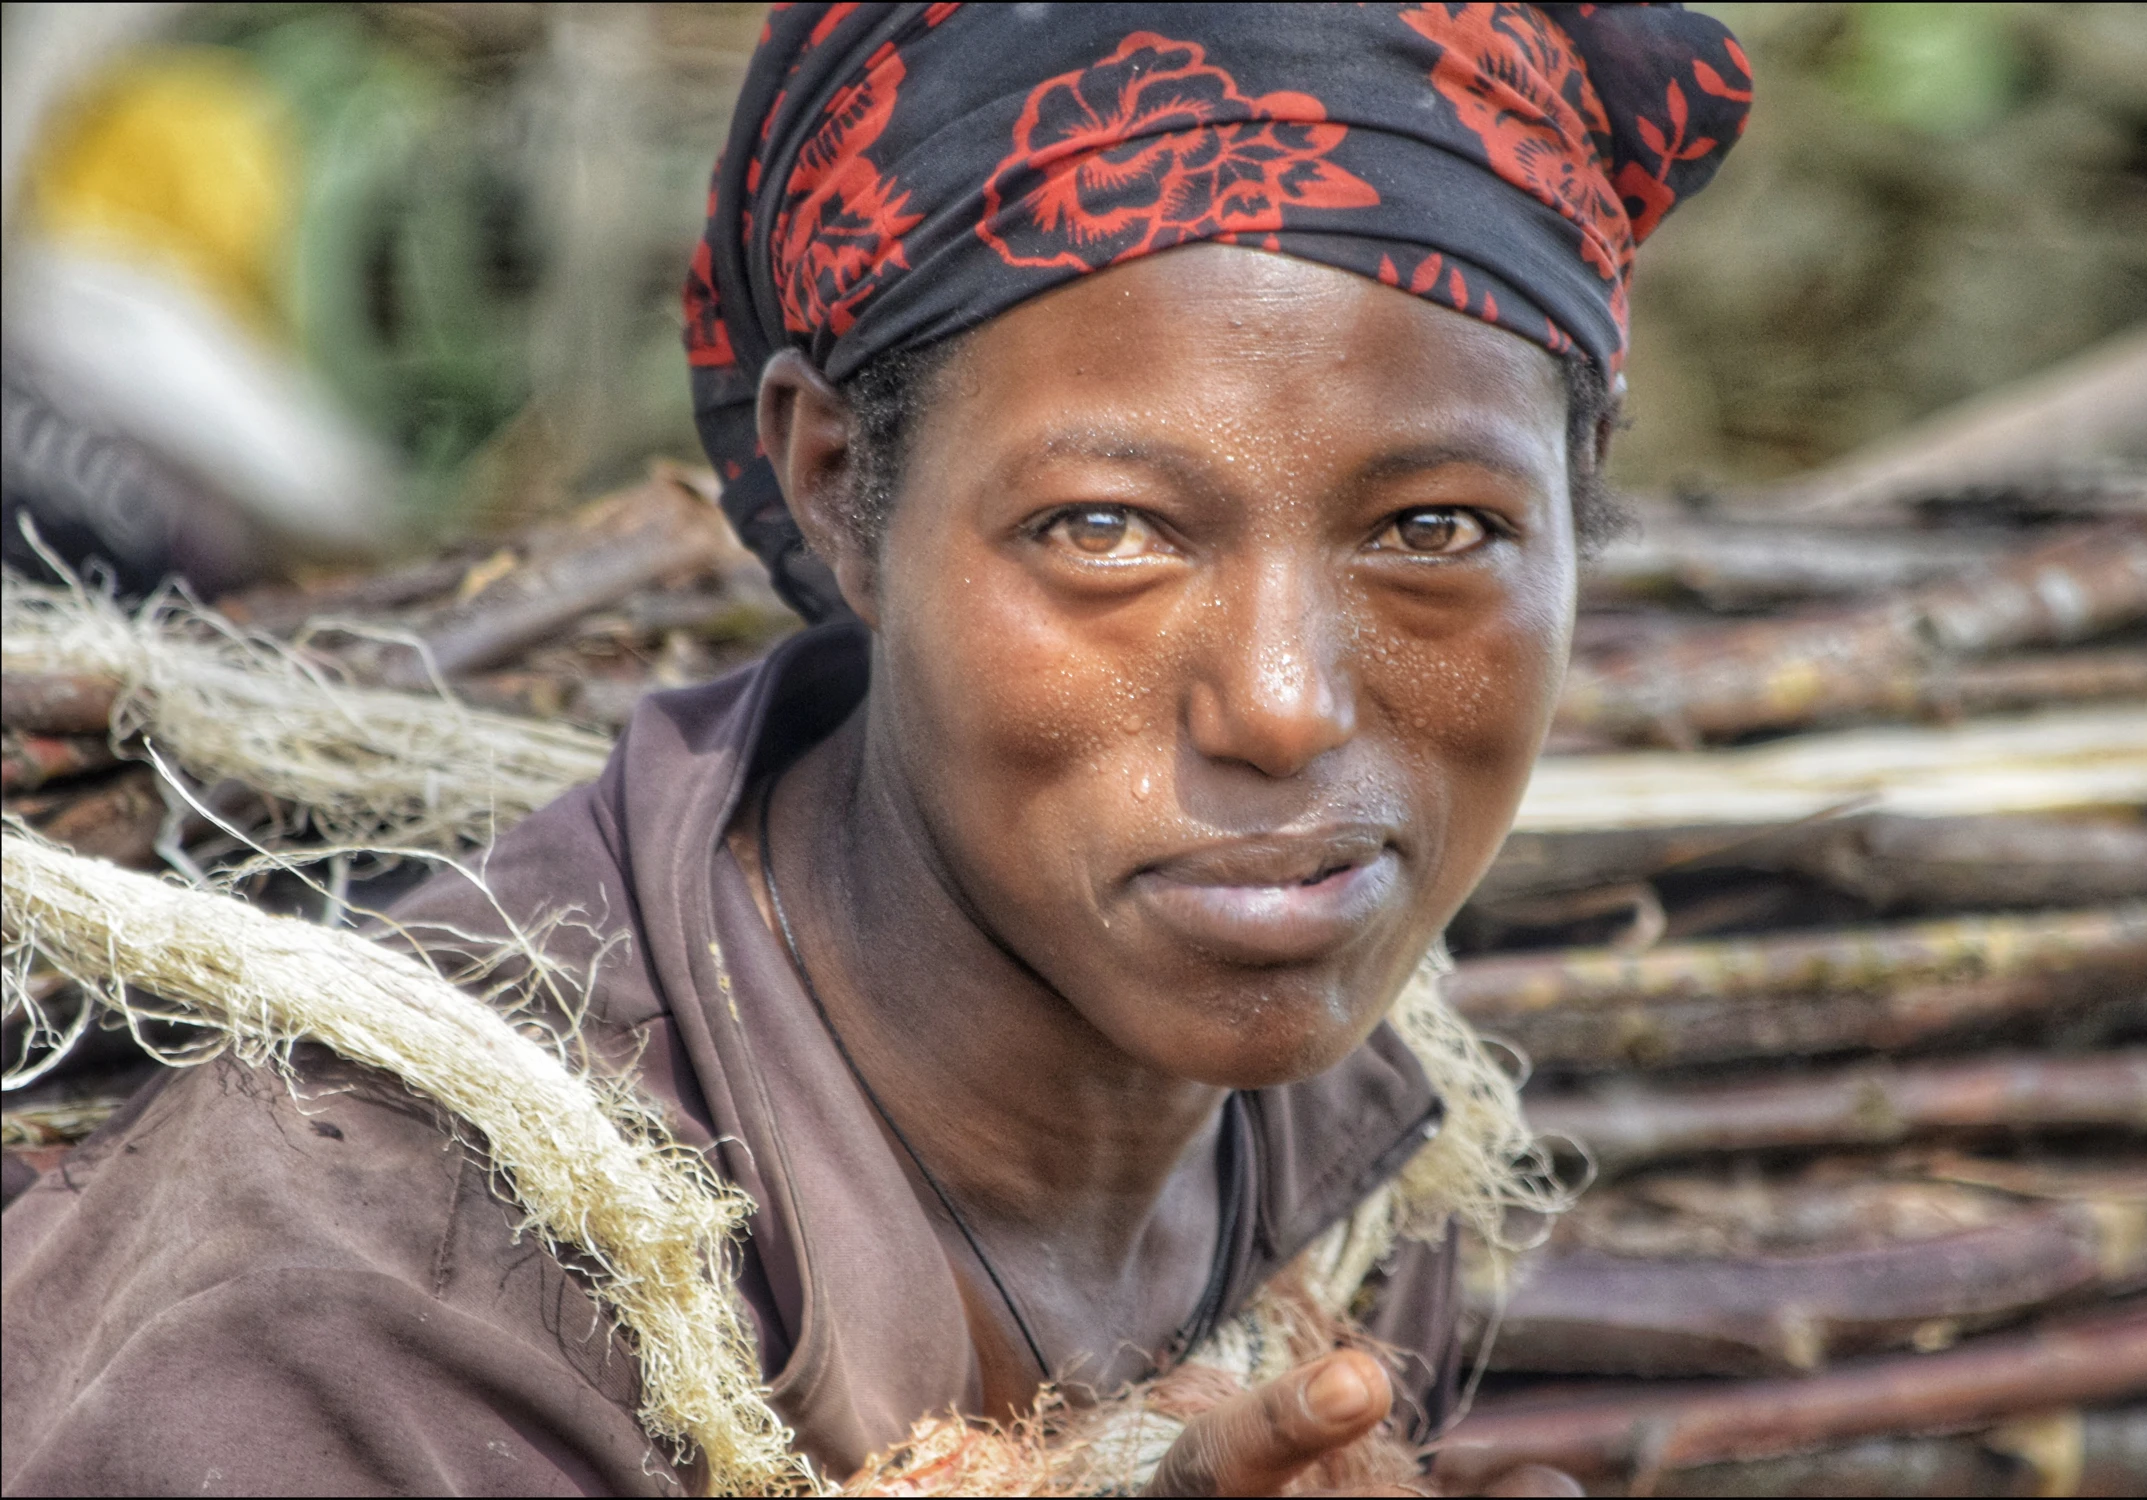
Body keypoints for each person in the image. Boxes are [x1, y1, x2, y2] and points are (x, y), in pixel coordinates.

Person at [1, 5, 1748, 1494]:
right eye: (1107, 530)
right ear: (838, 484)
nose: (1285, 706)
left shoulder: (1329, 1166)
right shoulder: (375, 1310)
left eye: (1433, 531)